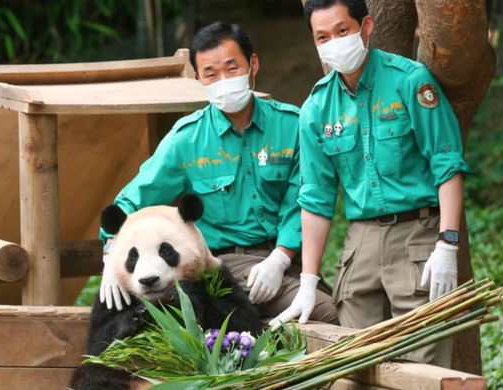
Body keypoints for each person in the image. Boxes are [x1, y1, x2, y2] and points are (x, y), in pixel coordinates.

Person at [268, 0, 471, 368]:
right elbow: (315, 197)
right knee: (356, 363)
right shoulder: (315, 108)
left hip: (418, 235)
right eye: (322, 37)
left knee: (422, 361)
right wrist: (308, 281)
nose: (333, 43)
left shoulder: (411, 81)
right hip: (359, 242)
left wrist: (447, 243)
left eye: (342, 31)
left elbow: (447, 163)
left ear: (366, 26)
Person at [98, 21, 339, 325]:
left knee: (333, 307)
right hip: (220, 265)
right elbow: (131, 200)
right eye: (211, 74)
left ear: (253, 64)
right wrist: (111, 255)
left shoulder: (292, 125)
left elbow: (303, 200)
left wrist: (279, 258)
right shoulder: (187, 139)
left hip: (285, 260)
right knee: (327, 313)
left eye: (232, 68)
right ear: (198, 78)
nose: (223, 80)